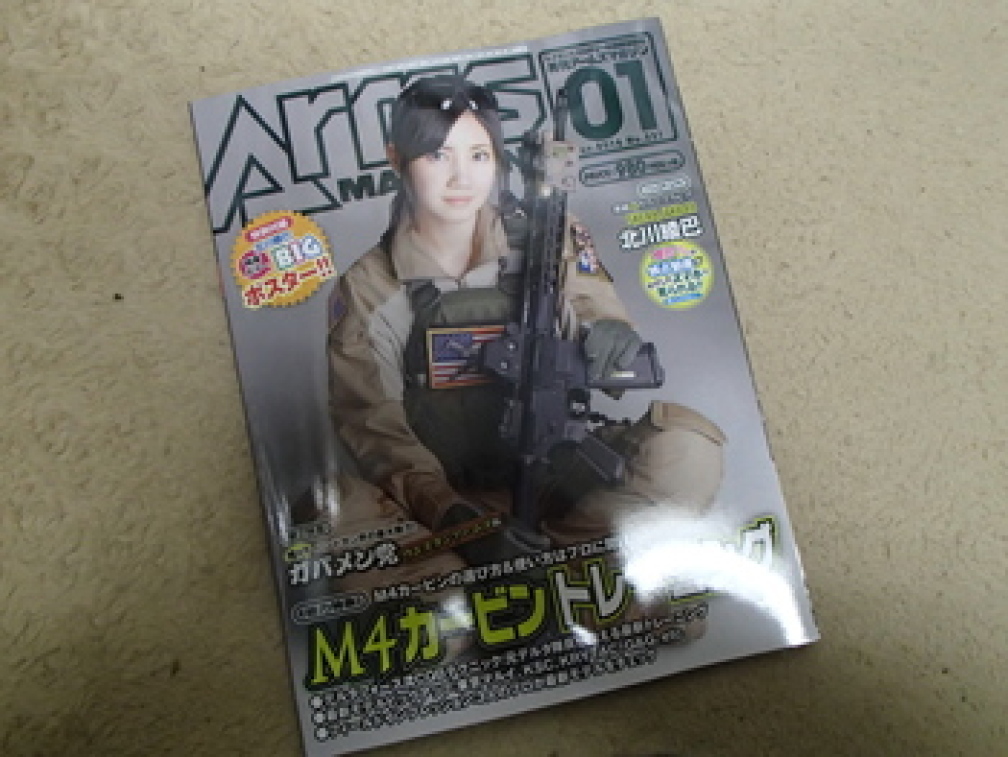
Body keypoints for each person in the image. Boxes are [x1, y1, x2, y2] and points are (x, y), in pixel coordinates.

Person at [322, 75, 725, 591]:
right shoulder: (370, 286)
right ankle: (480, 590)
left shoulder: (548, 235)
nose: (461, 178)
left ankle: (565, 575)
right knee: (336, 512)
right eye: (438, 156)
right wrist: (461, 523)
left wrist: (609, 330)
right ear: (397, 159)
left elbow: (590, 300)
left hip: (560, 477)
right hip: (446, 498)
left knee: (688, 446)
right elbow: (375, 428)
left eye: (479, 156)